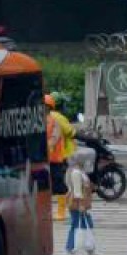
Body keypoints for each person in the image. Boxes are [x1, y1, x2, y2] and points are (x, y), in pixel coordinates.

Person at [65, 147, 103, 255]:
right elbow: (77, 191)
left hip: (82, 204)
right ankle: (70, 250)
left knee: (88, 225)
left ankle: (90, 249)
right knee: (76, 226)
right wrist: (81, 205)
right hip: (77, 204)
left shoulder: (79, 171)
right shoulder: (76, 172)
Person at [45, 93, 76, 221]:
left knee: (59, 186)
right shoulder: (38, 121)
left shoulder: (54, 121)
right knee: (45, 186)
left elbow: (55, 137)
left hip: (54, 159)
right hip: (43, 160)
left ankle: (61, 211)